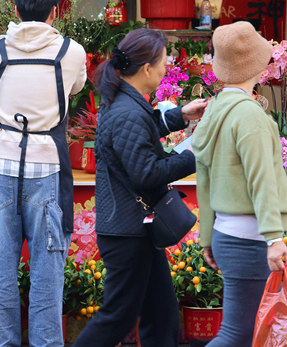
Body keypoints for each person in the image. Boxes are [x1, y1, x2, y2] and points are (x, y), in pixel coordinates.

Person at [72, 28, 208, 347]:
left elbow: (137, 136)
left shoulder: (126, 103)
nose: (165, 69)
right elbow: (146, 172)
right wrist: (193, 155)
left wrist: (179, 116)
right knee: (117, 318)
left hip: (135, 229)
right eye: (163, 63)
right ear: (147, 67)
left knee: (161, 315)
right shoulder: (127, 110)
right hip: (128, 233)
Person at [0, 0, 88, 347]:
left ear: (15, 9)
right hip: (47, 170)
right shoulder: (71, 52)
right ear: (55, 11)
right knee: (47, 276)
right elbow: (76, 89)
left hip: (0, 167)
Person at [191, 21, 287, 347]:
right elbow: (261, 179)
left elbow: (204, 178)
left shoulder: (214, 110)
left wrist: (207, 237)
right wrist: (274, 238)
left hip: (226, 234)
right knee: (238, 335)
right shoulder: (248, 115)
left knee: (245, 333)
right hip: (251, 240)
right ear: (257, 64)